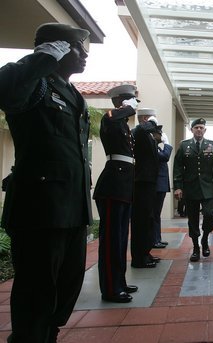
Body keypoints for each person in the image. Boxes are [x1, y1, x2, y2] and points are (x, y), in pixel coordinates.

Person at [0, 23, 92, 342]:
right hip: (40, 208)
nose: (84, 56)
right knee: (36, 293)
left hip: (72, 207)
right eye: (79, 48)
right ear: (56, 48)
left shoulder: (70, 92)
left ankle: (48, 335)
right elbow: (7, 92)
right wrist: (41, 59)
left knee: (66, 288)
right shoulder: (33, 79)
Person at [94, 84, 140, 303]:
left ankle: (119, 281)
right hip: (113, 185)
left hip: (123, 185)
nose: (134, 106)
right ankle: (111, 288)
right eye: (130, 101)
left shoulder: (122, 124)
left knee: (121, 239)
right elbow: (111, 118)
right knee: (112, 240)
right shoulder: (111, 118)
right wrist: (127, 109)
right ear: (119, 102)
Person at [173, 118, 213, 262]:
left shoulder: (212, 145)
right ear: (192, 130)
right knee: (193, 219)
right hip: (191, 188)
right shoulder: (184, 146)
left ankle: (205, 239)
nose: (199, 130)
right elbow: (178, 167)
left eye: (201, 127)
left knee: (209, 215)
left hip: (208, 188)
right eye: (196, 128)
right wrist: (178, 187)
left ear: (205, 130)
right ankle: (195, 247)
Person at [131, 108, 161, 268]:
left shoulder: (148, 135)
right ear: (143, 119)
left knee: (148, 220)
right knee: (141, 222)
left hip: (149, 182)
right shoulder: (140, 131)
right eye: (150, 119)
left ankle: (145, 253)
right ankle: (139, 258)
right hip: (141, 182)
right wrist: (150, 122)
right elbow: (142, 128)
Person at [151, 118, 173, 249]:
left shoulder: (156, 147)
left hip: (160, 185)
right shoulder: (153, 147)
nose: (161, 135)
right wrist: (167, 144)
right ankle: (154, 240)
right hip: (156, 186)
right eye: (160, 133)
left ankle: (157, 238)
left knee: (156, 214)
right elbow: (165, 157)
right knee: (154, 214)